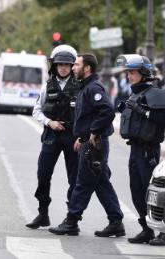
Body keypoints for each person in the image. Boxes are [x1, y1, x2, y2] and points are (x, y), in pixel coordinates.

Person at [49, 54, 125, 237]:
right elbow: (88, 117)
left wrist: (93, 132)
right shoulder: (85, 87)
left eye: (76, 64)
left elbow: (107, 111)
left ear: (87, 68)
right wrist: (82, 137)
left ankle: (72, 221)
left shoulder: (94, 88)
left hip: (95, 144)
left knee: (82, 182)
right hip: (89, 142)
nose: (73, 67)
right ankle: (116, 221)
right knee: (100, 182)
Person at [115, 54, 165, 246]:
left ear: (143, 73)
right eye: (128, 72)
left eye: (132, 72)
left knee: (153, 193)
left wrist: (143, 111)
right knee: (136, 190)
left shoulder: (155, 93)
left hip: (149, 149)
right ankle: (147, 229)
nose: (129, 76)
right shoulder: (135, 93)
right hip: (136, 148)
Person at [26, 45, 79, 229]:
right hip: (51, 135)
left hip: (72, 137)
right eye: (60, 64)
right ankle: (42, 214)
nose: (63, 67)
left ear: (72, 66)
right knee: (43, 174)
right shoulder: (47, 86)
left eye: (67, 64)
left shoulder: (80, 87)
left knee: (74, 177)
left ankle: (72, 219)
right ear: (54, 66)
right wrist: (50, 122)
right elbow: (36, 110)